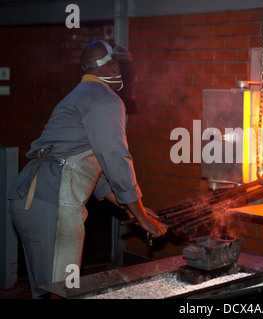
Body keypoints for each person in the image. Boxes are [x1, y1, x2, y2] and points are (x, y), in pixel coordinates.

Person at [8, 40, 168, 299]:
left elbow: (94, 171)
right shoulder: (105, 99)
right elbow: (116, 159)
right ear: (112, 66)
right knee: (61, 290)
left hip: (31, 200)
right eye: (121, 66)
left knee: (45, 288)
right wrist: (141, 217)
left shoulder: (79, 95)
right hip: (54, 202)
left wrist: (132, 206)